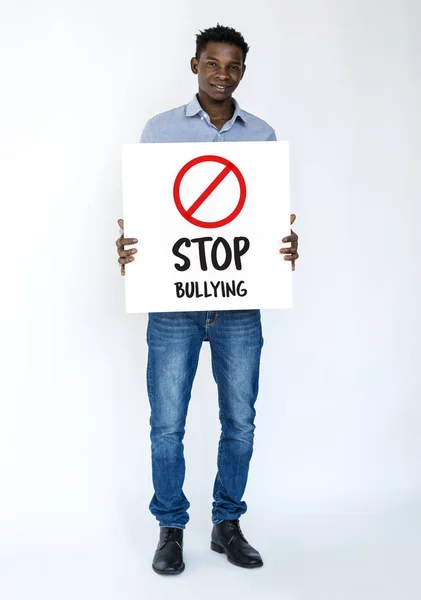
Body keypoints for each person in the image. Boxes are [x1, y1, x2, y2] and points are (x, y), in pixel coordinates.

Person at [116, 24, 299, 575]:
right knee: (167, 423)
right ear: (194, 65)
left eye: (234, 66)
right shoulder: (160, 131)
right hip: (173, 303)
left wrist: (285, 244)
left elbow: (266, 216)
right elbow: (146, 212)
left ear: (243, 70)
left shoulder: (262, 136)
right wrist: (130, 246)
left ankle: (227, 523)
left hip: (239, 303)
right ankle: (171, 527)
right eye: (213, 64)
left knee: (239, 420)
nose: (223, 74)